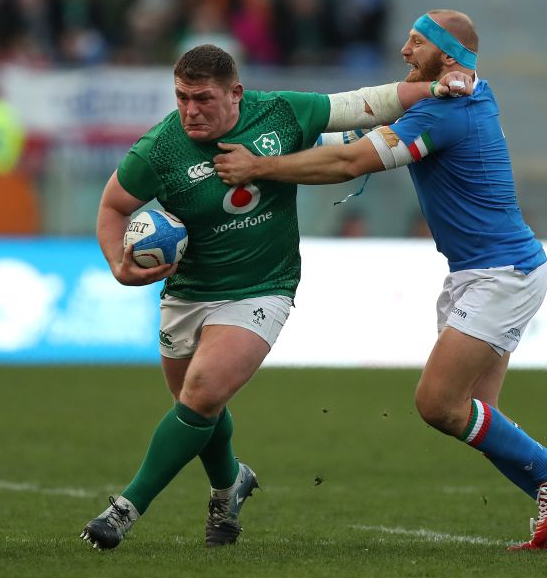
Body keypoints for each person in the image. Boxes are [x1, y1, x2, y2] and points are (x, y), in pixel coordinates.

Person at [214, 10, 547, 551]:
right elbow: (356, 130)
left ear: (445, 55)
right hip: (483, 272)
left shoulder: (447, 111)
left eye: (415, 42)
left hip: (502, 274)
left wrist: (258, 168)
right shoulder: (453, 96)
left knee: (438, 404)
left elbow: (349, 162)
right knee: (480, 420)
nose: (403, 50)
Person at [80, 43, 472, 550]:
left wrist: (439, 87)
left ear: (236, 94)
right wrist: (119, 265)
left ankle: (124, 510)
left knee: (200, 394)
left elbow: (368, 102)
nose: (190, 110)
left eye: (202, 98)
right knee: (197, 406)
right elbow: (113, 206)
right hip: (188, 292)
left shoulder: (280, 114)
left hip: (264, 286)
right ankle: (229, 485)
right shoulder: (159, 149)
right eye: (181, 98)